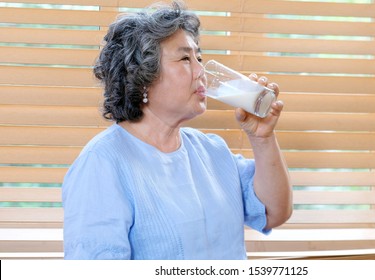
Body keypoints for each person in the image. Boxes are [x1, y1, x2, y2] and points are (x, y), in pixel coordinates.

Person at [62, 0, 292, 260]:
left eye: (199, 57)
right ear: (143, 77)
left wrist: (262, 138)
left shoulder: (212, 150)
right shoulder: (101, 164)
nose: (201, 71)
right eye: (185, 58)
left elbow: (274, 212)